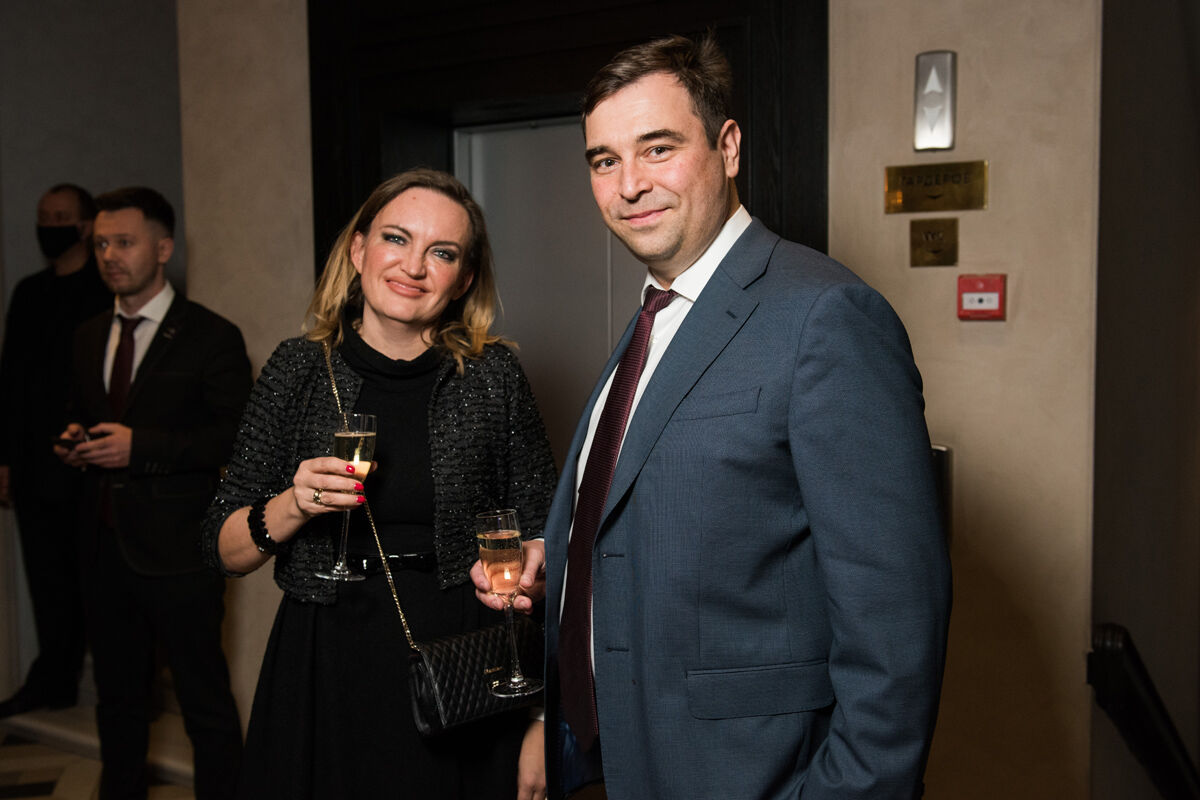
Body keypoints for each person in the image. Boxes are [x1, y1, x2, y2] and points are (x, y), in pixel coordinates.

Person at [501, 34, 953, 799]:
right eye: (605, 160)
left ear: (729, 146)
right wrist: (566, 565)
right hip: (630, 764)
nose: (629, 185)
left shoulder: (825, 317)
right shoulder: (654, 319)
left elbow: (896, 630)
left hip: (752, 775)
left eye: (658, 148)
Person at [203, 168, 557, 800]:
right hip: (325, 656)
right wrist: (293, 505)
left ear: (464, 278)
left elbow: (547, 540)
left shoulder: (492, 375)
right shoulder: (297, 370)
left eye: (442, 252)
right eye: (396, 238)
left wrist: (539, 719)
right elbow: (223, 549)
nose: (413, 267)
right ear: (358, 249)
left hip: (464, 662)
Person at [55, 186, 248, 800]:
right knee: (117, 701)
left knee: (203, 700)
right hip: (102, 543)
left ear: (163, 249)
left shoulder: (210, 335)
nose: (109, 255)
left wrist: (142, 448)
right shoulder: (88, 334)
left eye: (124, 242)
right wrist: (75, 438)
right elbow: (86, 410)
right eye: (100, 244)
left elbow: (233, 437)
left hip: (180, 549)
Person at [0, 183, 111, 718]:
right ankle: (53, 679)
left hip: (89, 458)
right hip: (31, 459)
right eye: (44, 217)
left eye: (62, 217)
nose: (50, 226)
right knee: (45, 576)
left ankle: (121, 685)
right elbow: (10, 380)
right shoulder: (29, 293)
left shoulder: (104, 291)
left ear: (86, 225)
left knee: (98, 577)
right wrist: (5, 457)